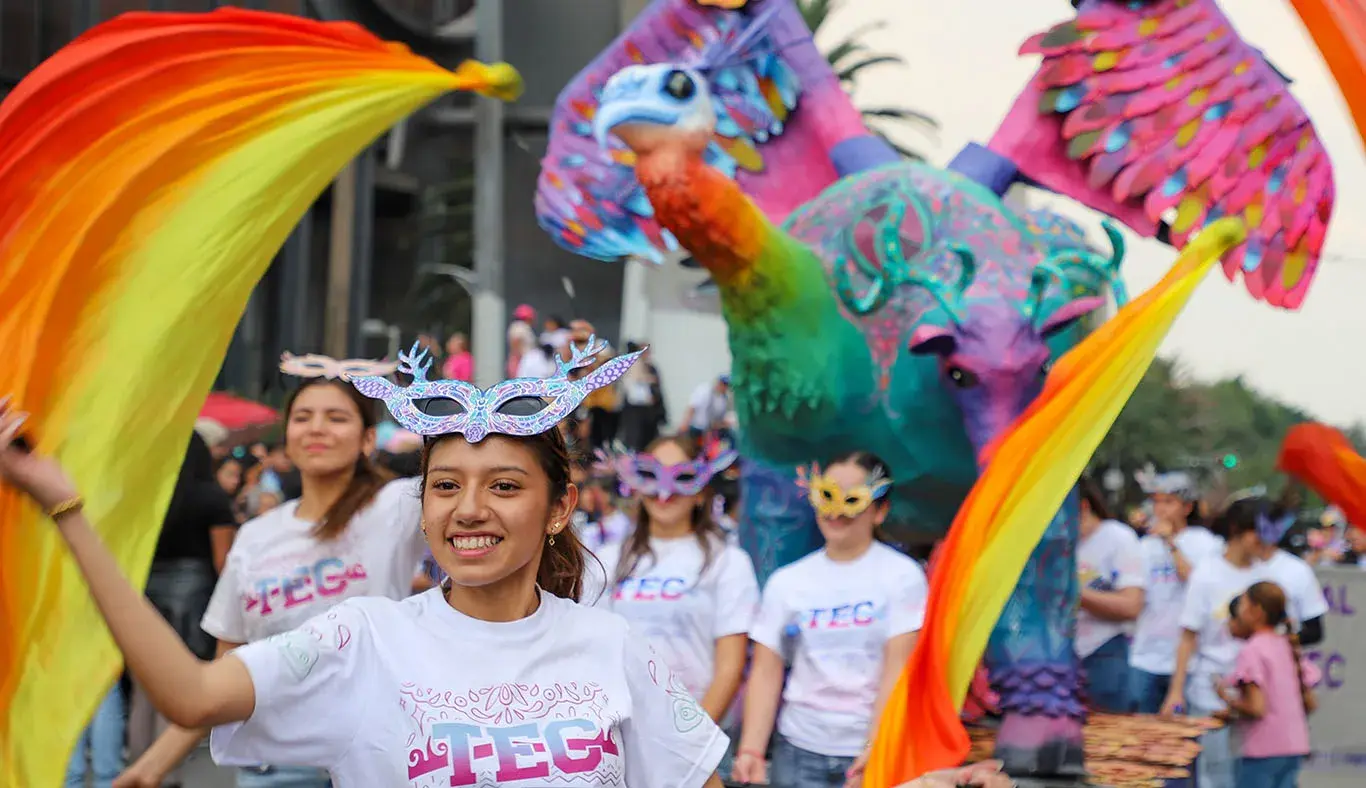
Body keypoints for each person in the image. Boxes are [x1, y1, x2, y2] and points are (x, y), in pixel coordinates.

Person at [0, 337, 730, 787]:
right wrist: (67, 511)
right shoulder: (364, 637)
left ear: (560, 507)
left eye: (505, 487)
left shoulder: (611, 645)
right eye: (445, 486)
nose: (469, 509)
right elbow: (190, 694)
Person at [115, 363, 430, 788]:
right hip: (275, 766)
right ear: (288, 436)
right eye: (303, 417)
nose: (316, 428)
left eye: (336, 418)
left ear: (367, 439)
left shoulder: (396, 507)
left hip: (374, 757)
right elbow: (226, 667)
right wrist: (151, 766)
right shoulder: (255, 536)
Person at [733, 452, 928, 788]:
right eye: (827, 495)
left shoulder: (902, 577)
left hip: (867, 749)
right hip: (797, 748)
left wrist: (876, 748)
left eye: (852, 499)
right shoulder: (787, 581)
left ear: (880, 510)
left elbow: (898, 670)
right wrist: (751, 749)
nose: (835, 511)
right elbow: (766, 670)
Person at [586, 436, 757, 732]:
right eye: (650, 475)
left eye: (683, 477)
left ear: (701, 492)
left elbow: (730, 666)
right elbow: (593, 650)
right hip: (620, 731)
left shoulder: (728, 562)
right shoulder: (606, 560)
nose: (665, 491)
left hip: (699, 731)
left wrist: (694, 737)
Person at [125, 432, 240, 787]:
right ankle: (168, 771)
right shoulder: (212, 498)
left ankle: (140, 760)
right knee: (182, 681)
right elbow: (223, 560)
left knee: (146, 684)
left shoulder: (149, 496)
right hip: (192, 593)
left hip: (146, 590)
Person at [1163, 497, 1274, 788]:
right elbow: (1188, 636)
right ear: (1238, 530)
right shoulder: (1207, 574)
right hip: (1210, 693)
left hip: (1255, 697)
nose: (1265, 541)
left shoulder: (1266, 575)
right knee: (1214, 775)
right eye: (1258, 533)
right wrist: (1176, 692)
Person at [1128, 471, 1224, 713]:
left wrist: (1171, 543)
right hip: (1145, 656)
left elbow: (1199, 585)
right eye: (1157, 502)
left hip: (1189, 661)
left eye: (1169, 502)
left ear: (1187, 507)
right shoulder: (1143, 546)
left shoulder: (1206, 543)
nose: (1160, 509)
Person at [1219, 582, 1316, 788]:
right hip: (1294, 745)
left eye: (1242, 605)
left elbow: (1257, 708)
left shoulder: (1253, 650)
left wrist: (1226, 698)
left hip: (1263, 749)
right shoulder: (1286, 645)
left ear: (1256, 612)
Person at [1075, 478, 1145, 713]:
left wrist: (1075, 593)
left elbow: (1132, 605)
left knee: (1108, 731)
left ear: (1083, 506)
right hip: (1060, 655)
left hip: (1103, 653)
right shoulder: (1057, 542)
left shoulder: (1118, 538)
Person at [1251, 508, 1328, 646]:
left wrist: (1279, 642)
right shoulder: (1232, 566)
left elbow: (1315, 631)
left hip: (1277, 655)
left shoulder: (1298, 570)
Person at [683, 376, 731, 443]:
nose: (724, 387)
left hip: (710, 430)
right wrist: (685, 424)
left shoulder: (723, 399)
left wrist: (724, 424)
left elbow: (718, 418)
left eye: (726, 386)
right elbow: (692, 407)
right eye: (723, 384)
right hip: (697, 427)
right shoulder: (704, 390)